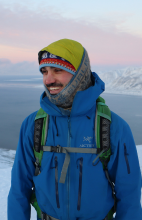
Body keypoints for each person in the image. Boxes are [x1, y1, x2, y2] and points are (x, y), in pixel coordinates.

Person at [8, 39, 142, 220]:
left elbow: (130, 197)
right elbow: (19, 189)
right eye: (44, 71)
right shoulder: (34, 125)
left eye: (58, 70)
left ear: (80, 73)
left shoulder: (112, 127)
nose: (48, 80)